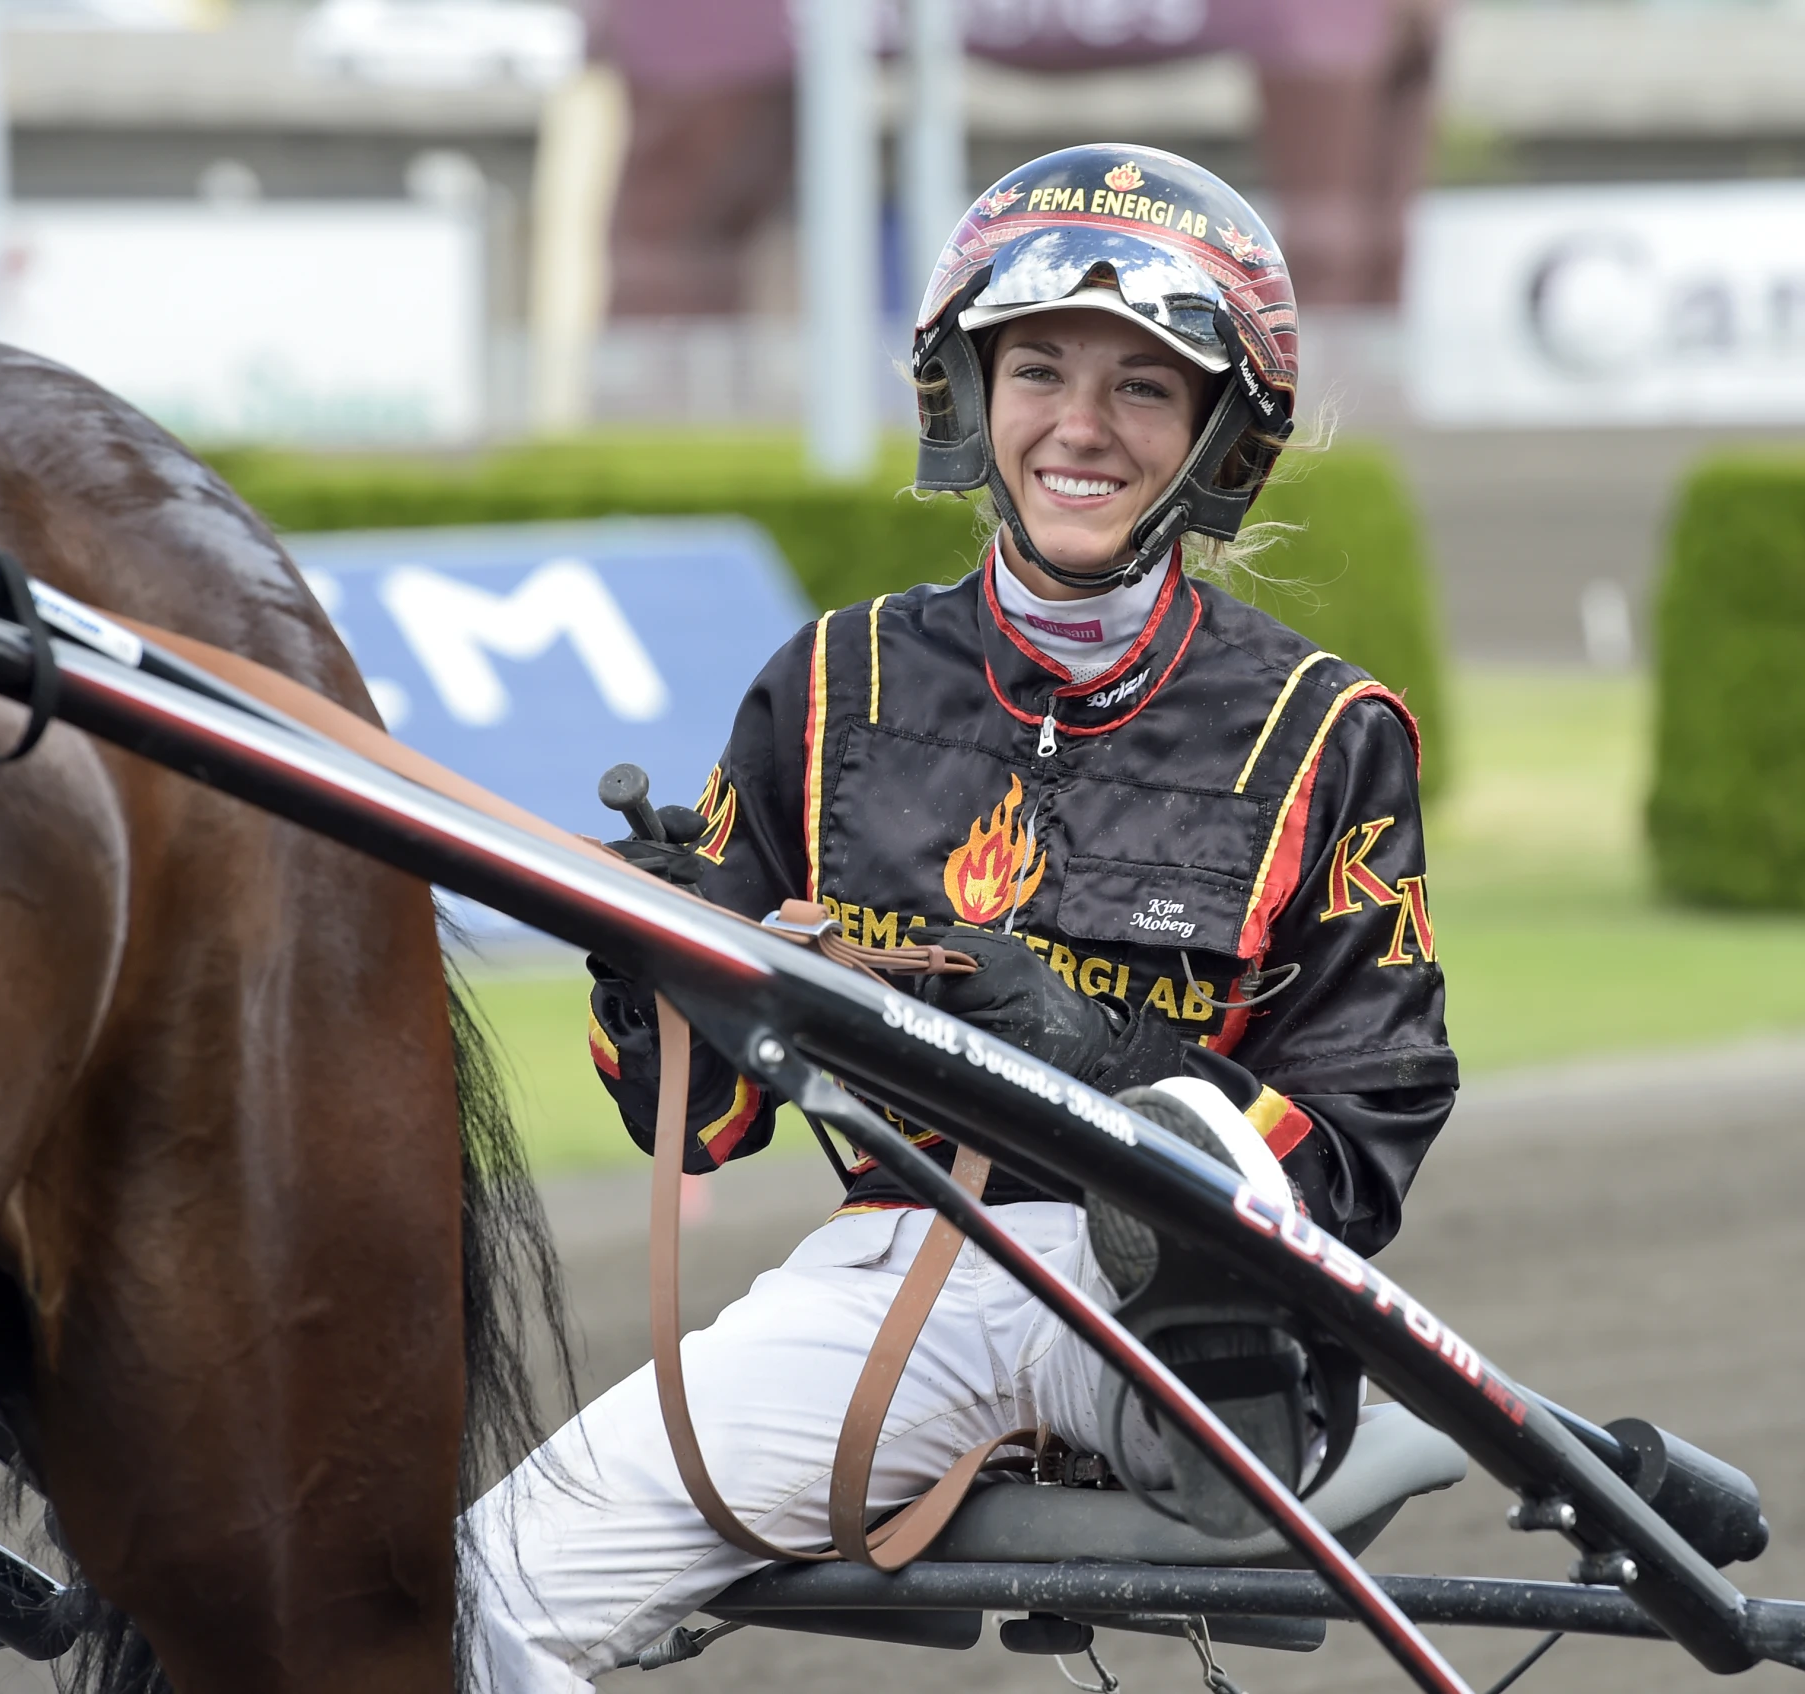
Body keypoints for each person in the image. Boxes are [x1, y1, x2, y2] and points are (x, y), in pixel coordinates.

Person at [465, 143, 1457, 1691]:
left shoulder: (1325, 735)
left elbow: (1360, 1145)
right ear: (967, 396)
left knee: (1212, 1318)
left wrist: (1109, 1072)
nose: (1079, 426)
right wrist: (645, 957)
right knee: (480, 1595)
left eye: (1143, 387)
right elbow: (703, 1122)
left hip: (1178, 1294)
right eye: (1040, 369)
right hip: (891, 1280)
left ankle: (1219, 1397)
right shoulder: (826, 685)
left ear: (1217, 436)